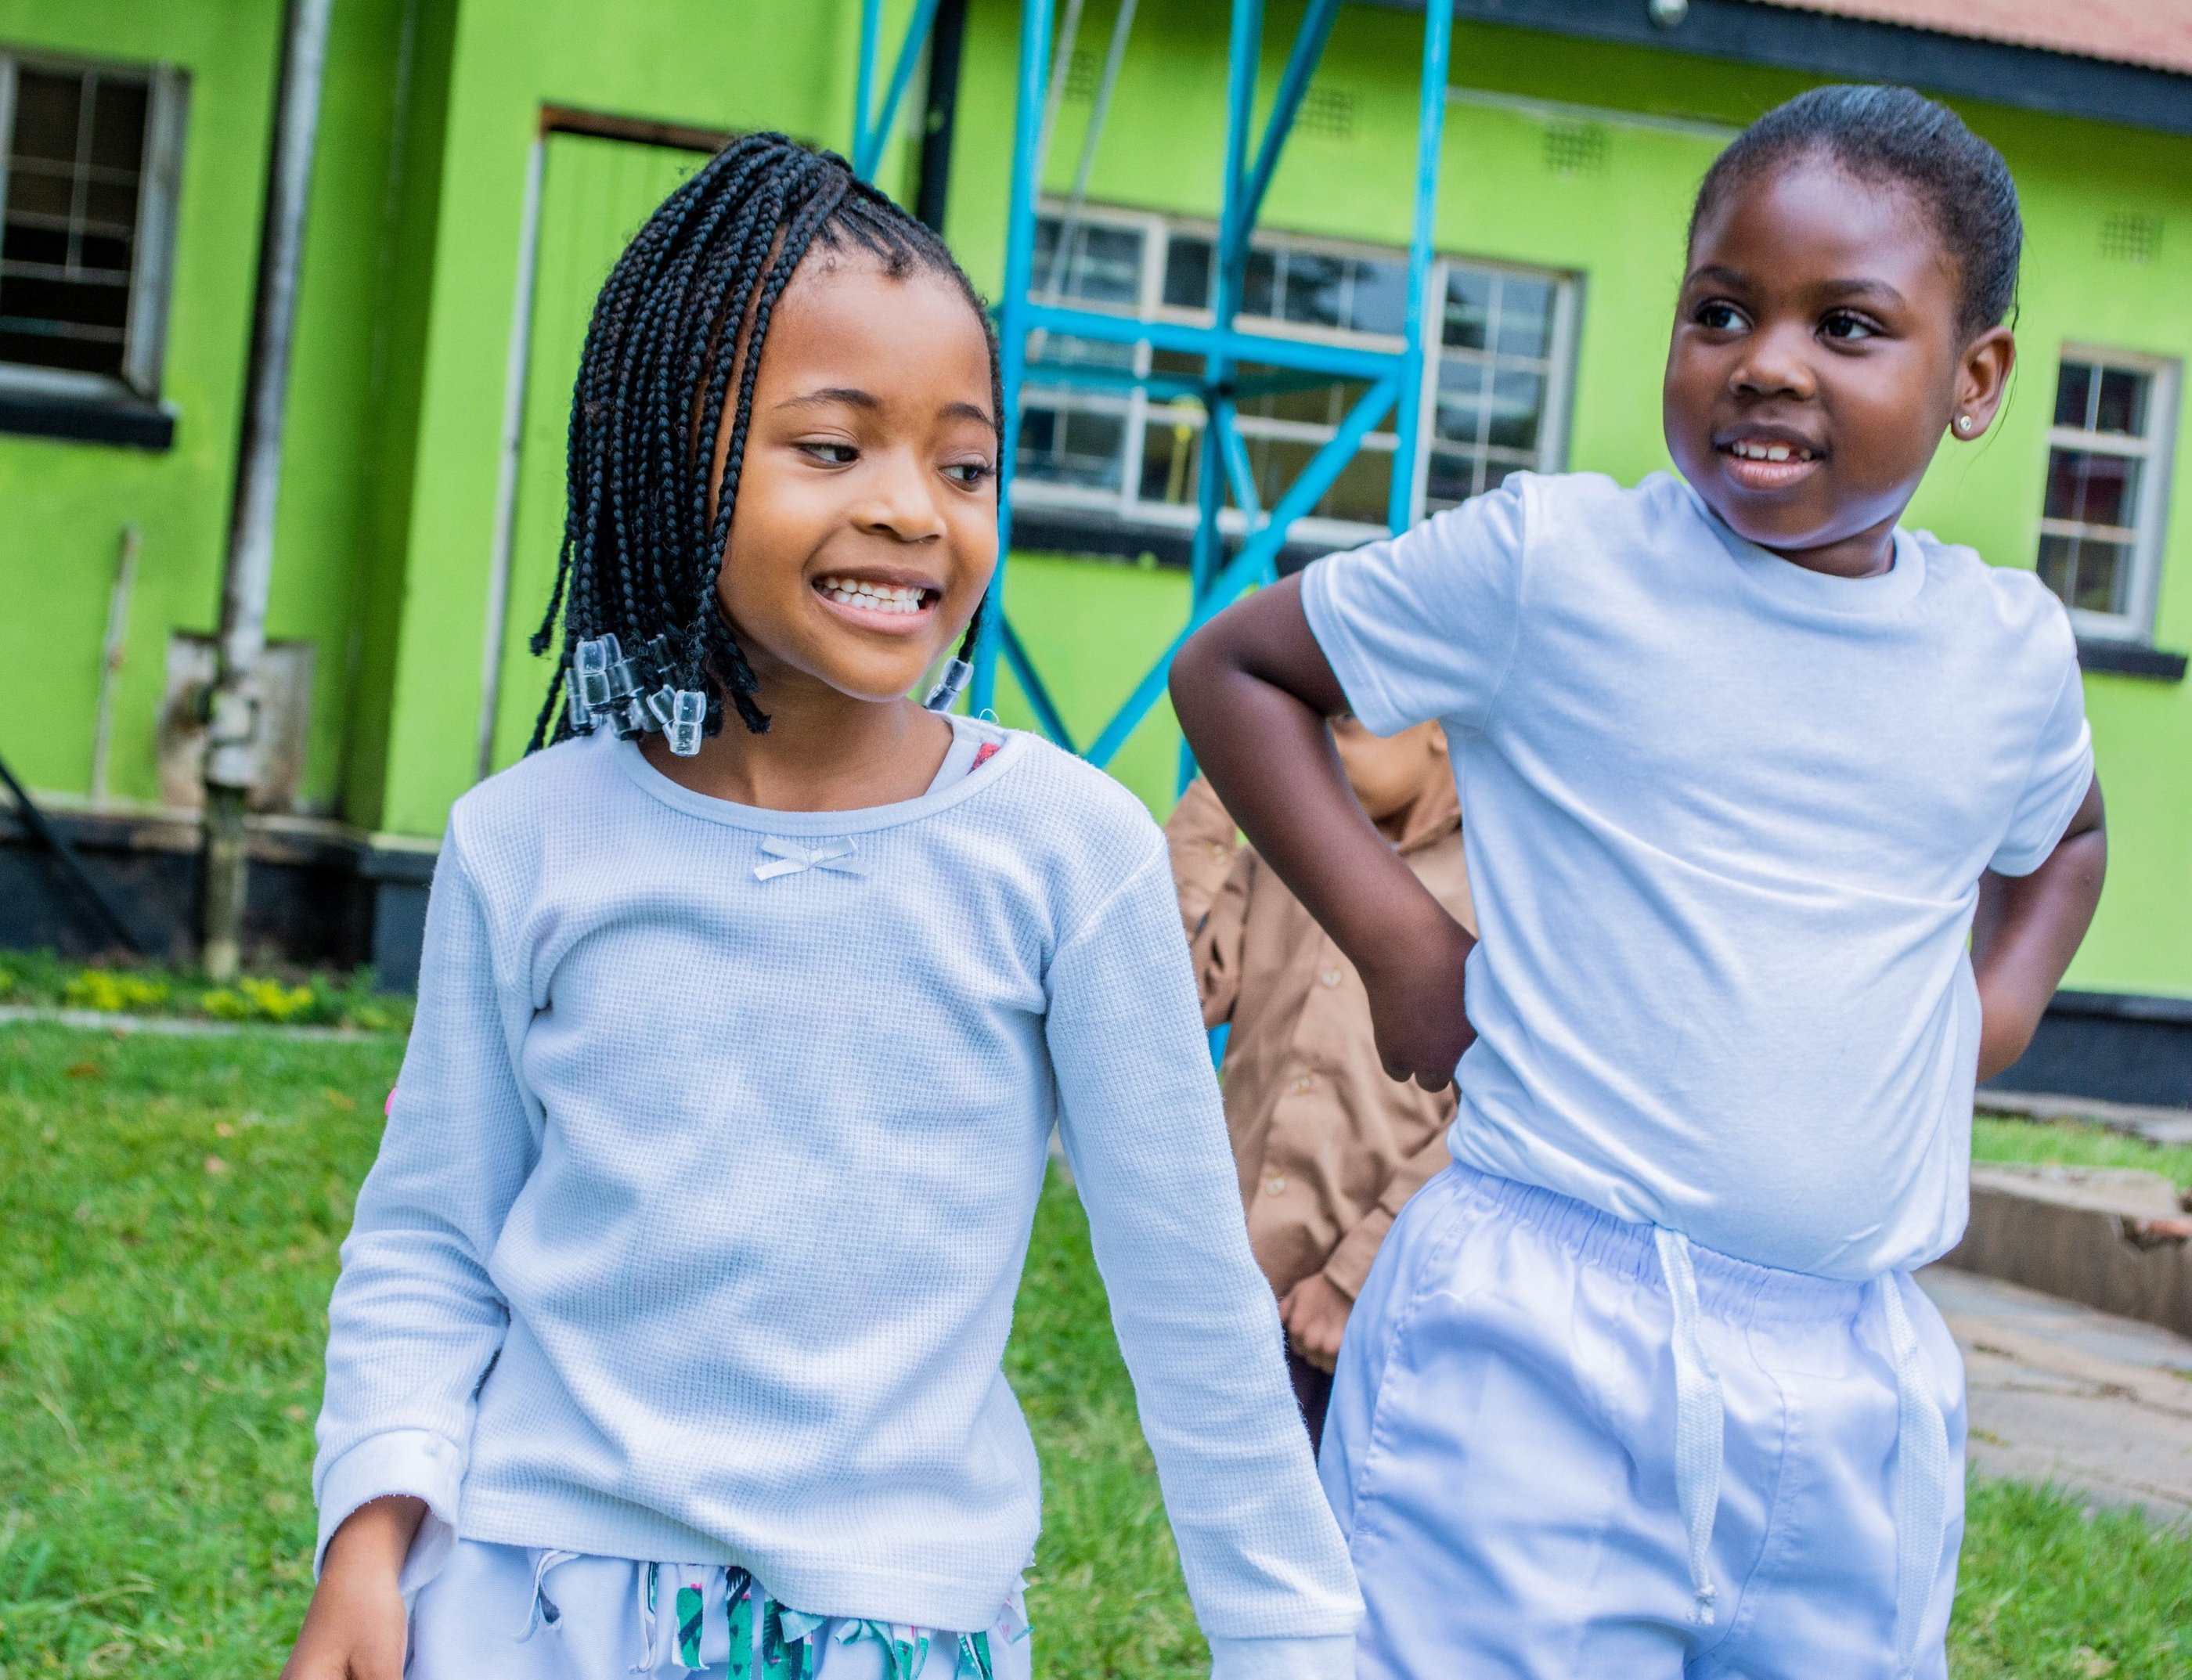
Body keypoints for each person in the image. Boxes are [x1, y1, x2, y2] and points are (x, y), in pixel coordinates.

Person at [283, 135, 1359, 1680]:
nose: (915, 509)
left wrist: (1292, 1643)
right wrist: (370, 1535)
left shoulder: (1068, 850)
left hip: (887, 1622)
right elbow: (434, 1235)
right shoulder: (524, 841)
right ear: (670, 460)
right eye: (832, 446)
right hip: (523, 1601)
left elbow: (1188, 1305)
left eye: (964, 461)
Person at [1170, 86, 2107, 1680]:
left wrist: (1990, 1011)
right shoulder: (1558, 566)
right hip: (1539, 1337)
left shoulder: (2000, 651)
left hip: (1853, 1372)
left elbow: (2064, 837)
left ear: (1974, 378)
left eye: (1848, 325)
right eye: (1720, 310)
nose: (1766, 360)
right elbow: (1238, 669)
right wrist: (1403, 940)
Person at [1164, 719, 1473, 1450]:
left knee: (1350, 1548)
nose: (1312, 743)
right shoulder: (1287, 843)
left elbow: (1503, 1109)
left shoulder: (1507, 881)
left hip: (1389, 1307)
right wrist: (1229, 778)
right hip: (1250, 1281)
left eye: (1337, 723)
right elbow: (1168, 987)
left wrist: (1352, 1277)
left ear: (1433, 723)